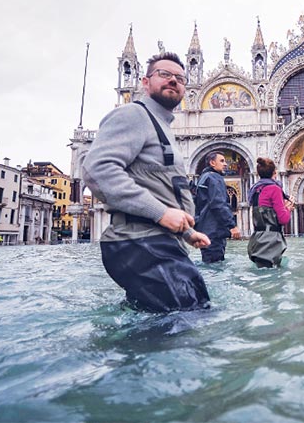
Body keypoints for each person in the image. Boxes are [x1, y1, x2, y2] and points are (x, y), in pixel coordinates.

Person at [82, 51, 212, 312]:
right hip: (142, 243)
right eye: (164, 74)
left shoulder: (160, 125)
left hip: (155, 243)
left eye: (180, 78)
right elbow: (97, 169)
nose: (173, 81)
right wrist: (161, 213)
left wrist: (187, 232)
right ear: (144, 81)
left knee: (173, 322)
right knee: (187, 324)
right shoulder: (133, 114)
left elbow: (161, 187)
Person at [194, 151, 241, 263]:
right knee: (216, 266)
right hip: (214, 232)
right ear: (212, 163)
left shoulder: (203, 177)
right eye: (222, 161)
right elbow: (218, 204)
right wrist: (232, 225)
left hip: (205, 231)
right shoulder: (215, 178)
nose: (225, 164)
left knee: (209, 265)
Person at [247, 158, 294, 268]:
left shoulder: (255, 190)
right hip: (270, 242)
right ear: (275, 173)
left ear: (258, 174)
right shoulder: (274, 189)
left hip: (256, 240)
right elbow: (283, 219)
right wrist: (288, 208)